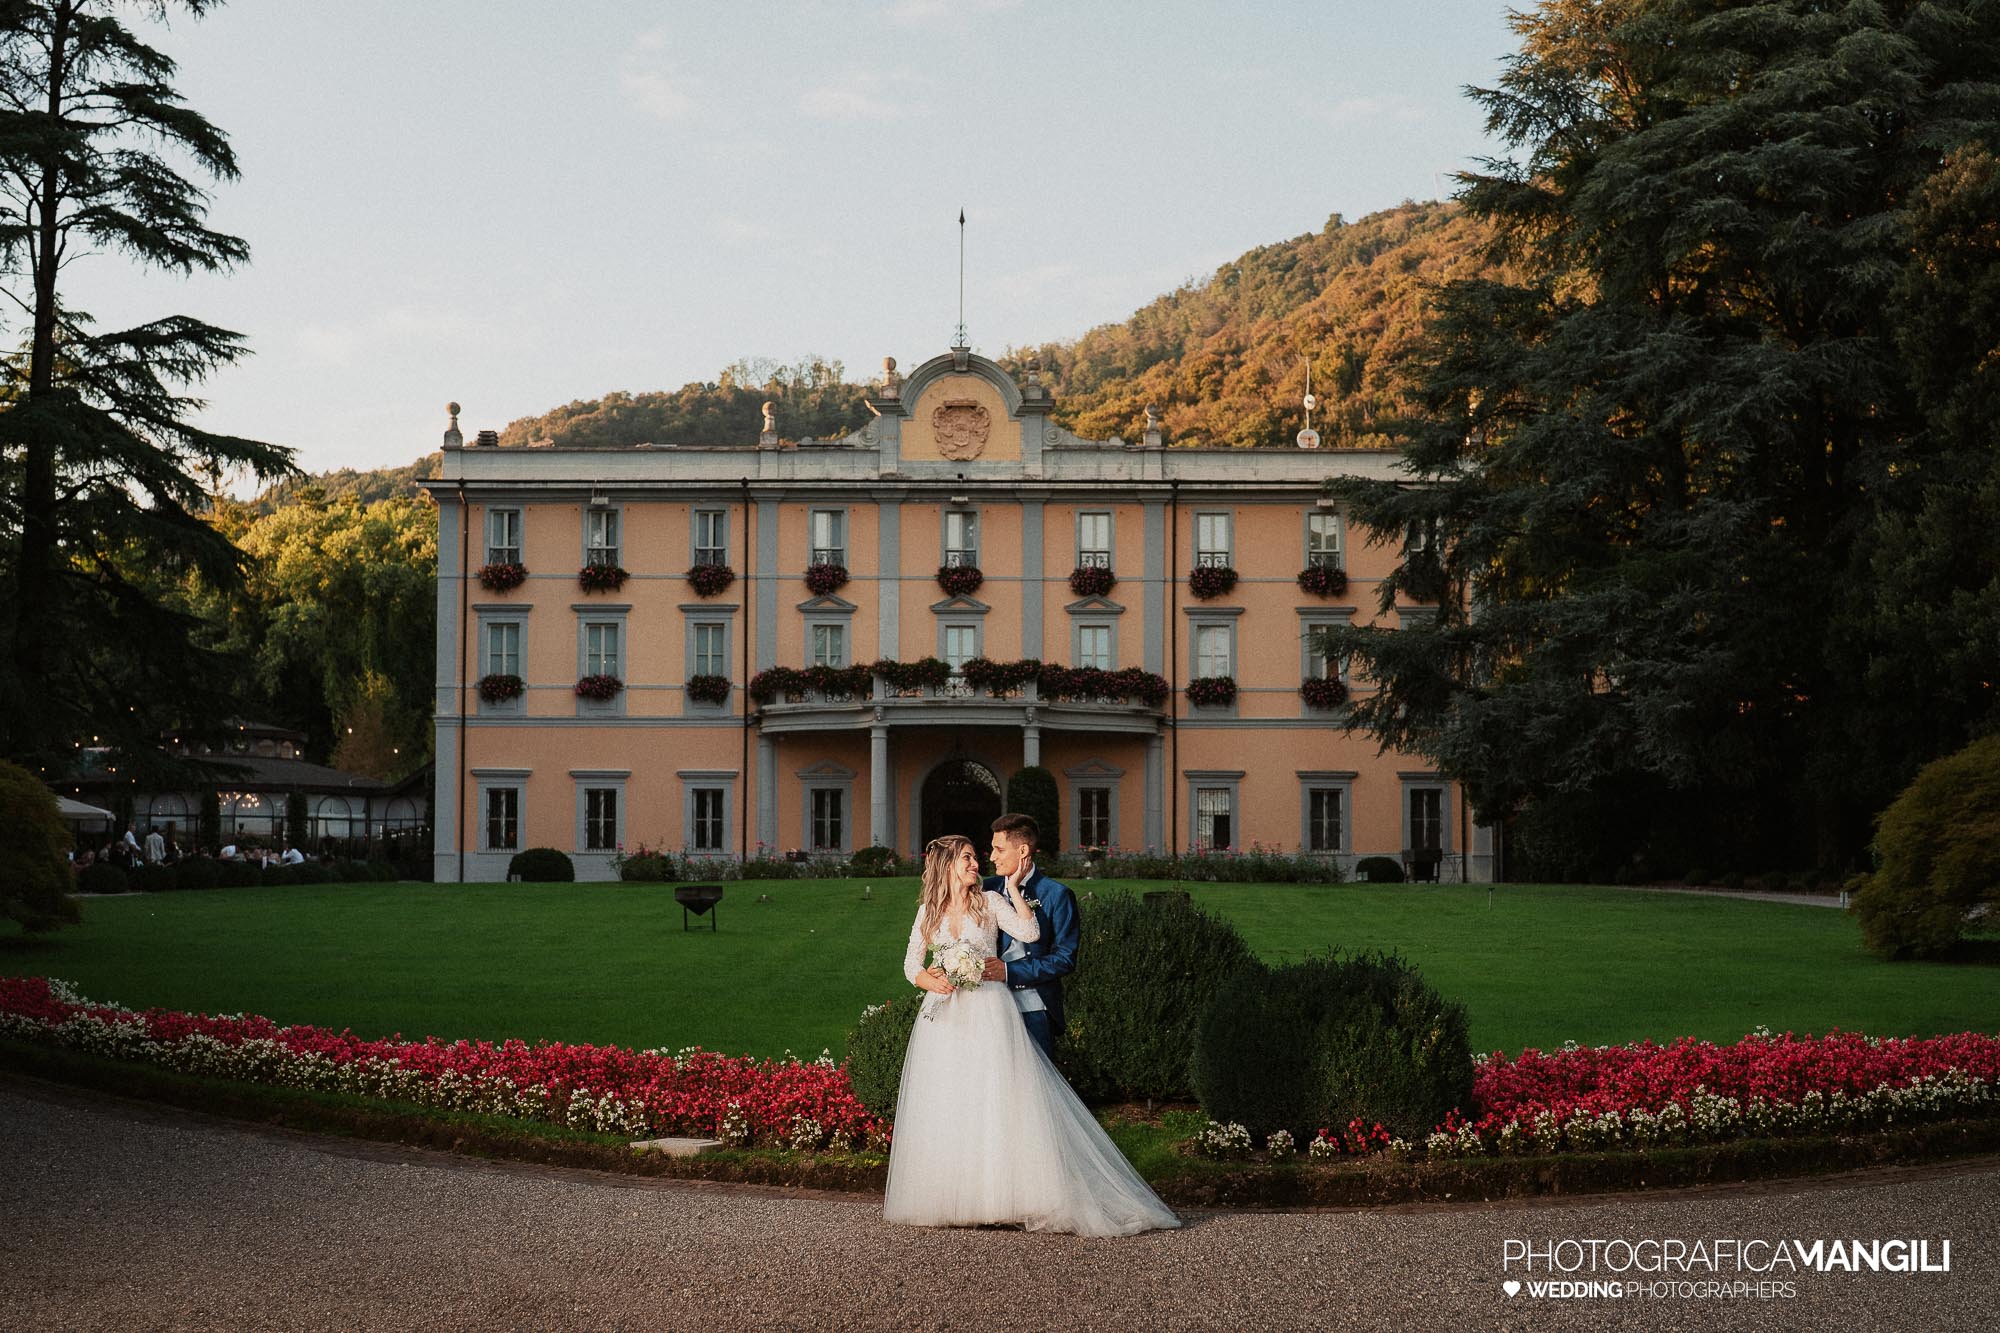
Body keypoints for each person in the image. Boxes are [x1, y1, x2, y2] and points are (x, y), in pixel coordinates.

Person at [882, 832, 1180, 1237]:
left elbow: (1030, 933)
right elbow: (910, 962)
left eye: (976, 858)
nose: (977, 864)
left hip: (989, 1007)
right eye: (968, 858)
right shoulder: (928, 913)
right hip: (946, 1014)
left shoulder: (989, 901)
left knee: (999, 1097)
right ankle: (956, 1195)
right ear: (948, 865)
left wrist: (1013, 890)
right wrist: (926, 979)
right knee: (953, 1100)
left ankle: (1004, 1196)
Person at [979, 812, 1078, 1061]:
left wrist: (1010, 972)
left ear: (1022, 850)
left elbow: (1065, 958)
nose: (992, 857)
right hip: (987, 1004)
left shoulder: (1057, 895)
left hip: (1035, 1007)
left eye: (999, 849)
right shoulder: (984, 890)